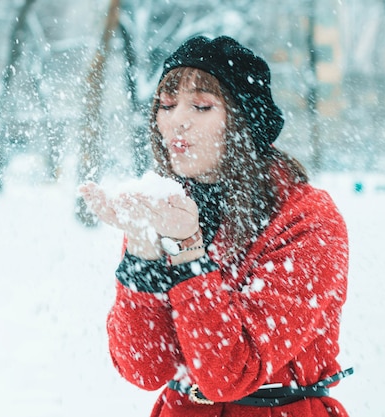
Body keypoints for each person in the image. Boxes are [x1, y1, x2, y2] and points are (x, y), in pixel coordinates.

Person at [79, 35, 352, 417]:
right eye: (167, 105)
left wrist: (189, 253)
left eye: (202, 106)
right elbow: (143, 367)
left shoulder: (308, 219)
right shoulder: (164, 206)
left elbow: (231, 373)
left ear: (244, 121)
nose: (176, 122)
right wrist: (142, 246)